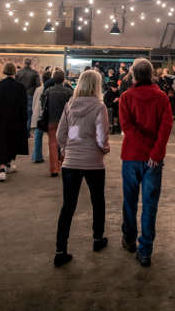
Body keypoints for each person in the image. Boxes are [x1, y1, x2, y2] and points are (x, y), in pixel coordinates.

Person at [119, 58, 174, 267]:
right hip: (153, 161)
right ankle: (145, 251)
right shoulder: (161, 98)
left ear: (133, 75)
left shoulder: (126, 97)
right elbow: (166, 126)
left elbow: (127, 127)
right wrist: (155, 153)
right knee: (150, 205)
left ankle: (129, 240)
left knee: (130, 202)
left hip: (131, 158)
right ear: (151, 74)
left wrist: (144, 150)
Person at [53, 70, 111, 267]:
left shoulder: (70, 105)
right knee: (97, 201)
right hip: (93, 162)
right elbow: (101, 136)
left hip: (71, 162)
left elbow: (61, 134)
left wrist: (67, 148)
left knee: (68, 206)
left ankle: (60, 250)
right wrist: (105, 149)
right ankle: (97, 239)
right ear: (97, 85)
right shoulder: (99, 107)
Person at [0, 63, 28, 182]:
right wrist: (24, 121)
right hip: (15, 120)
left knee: (1, 143)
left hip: (0, 120)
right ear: (14, 72)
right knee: (12, 142)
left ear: (4, 71)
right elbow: (24, 106)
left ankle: (2, 168)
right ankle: (7, 165)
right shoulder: (20, 87)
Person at [40, 69, 73, 177]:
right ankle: (64, 165)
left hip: (51, 120)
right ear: (64, 79)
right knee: (65, 144)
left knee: (53, 144)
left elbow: (42, 105)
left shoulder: (48, 91)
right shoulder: (69, 92)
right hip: (66, 122)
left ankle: (54, 169)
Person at [30, 70, 50, 163]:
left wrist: (35, 112)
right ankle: (52, 155)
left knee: (38, 136)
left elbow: (34, 102)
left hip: (38, 116)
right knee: (52, 137)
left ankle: (37, 156)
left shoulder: (38, 89)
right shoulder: (51, 89)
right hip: (48, 116)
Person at [16, 57, 40, 134]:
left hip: (20, 95)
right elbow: (38, 84)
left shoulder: (19, 73)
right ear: (31, 63)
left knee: (20, 113)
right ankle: (26, 132)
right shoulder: (34, 73)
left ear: (24, 63)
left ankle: (20, 131)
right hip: (30, 94)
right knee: (29, 114)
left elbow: (15, 84)